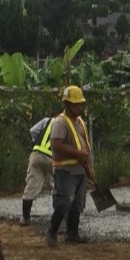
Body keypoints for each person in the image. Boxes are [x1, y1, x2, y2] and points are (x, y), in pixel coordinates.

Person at [46, 85, 95, 246]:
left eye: (80, 104)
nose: (79, 107)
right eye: (75, 104)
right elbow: (56, 144)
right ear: (67, 104)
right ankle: (52, 233)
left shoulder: (80, 122)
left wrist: (89, 167)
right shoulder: (60, 122)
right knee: (63, 202)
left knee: (78, 203)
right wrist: (77, 154)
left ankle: (72, 234)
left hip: (80, 169)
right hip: (65, 169)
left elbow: (85, 146)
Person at [20, 115, 55, 226]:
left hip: (36, 155)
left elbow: (33, 130)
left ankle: (25, 218)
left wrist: (37, 142)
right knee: (57, 187)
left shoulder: (47, 121)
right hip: (52, 158)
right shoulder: (65, 125)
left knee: (31, 186)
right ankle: (60, 219)